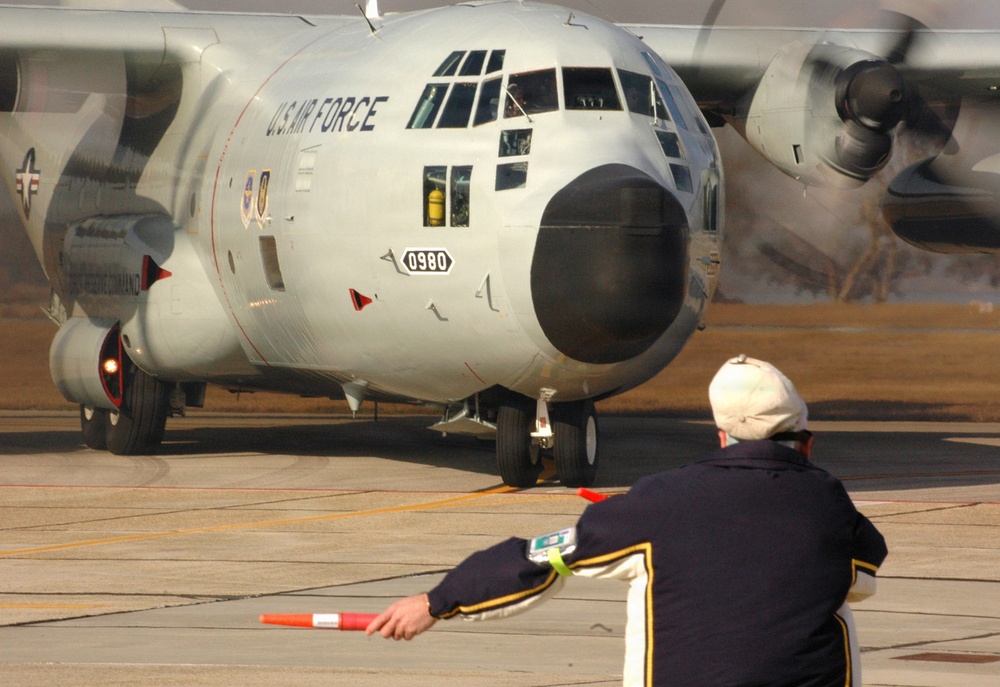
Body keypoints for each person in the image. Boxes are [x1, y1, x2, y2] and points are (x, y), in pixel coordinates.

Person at [367, 354, 888, 687]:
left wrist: (437, 602)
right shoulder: (828, 504)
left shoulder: (657, 502)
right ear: (807, 442)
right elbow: (863, 573)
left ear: (721, 435)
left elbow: (543, 559)